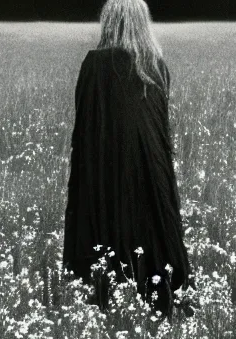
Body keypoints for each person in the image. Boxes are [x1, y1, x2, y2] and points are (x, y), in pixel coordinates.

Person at [62, 0, 196, 319]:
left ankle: (107, 289)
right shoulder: (154, 64)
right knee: (149, 221)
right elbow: (160, 130)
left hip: (102, 166)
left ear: (109, 22)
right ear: (142, 22)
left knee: (106, 222)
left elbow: (85, 127)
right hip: (150, 168)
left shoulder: (93, 64)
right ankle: (155, 291)